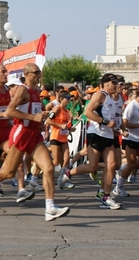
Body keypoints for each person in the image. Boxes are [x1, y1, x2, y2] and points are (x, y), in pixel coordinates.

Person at [0, 63, 69, 221]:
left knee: (48, 167)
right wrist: (33, 118)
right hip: (21, 134)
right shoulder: (22, 90)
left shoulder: (36, 91)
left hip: (34, 135)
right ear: (27, 74)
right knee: (9, 172)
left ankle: (50, 207)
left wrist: (40, 118)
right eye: (36, 72)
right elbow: (10, 111)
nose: (39, 74)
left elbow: (32, 111)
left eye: (39, 72)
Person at [58, 73, 121, 210]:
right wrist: (104, 122)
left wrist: (114, 129)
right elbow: (87, 112)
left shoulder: (112, 99)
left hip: (108, 135)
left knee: (112, 165)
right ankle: (68, 173)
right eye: (113, 82)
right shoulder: (100, 95)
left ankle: (105, 197)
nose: (116, 84)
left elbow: (108, 118)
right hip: (96, 134)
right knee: (92, 167)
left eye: (117, 82)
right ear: (105, 84)